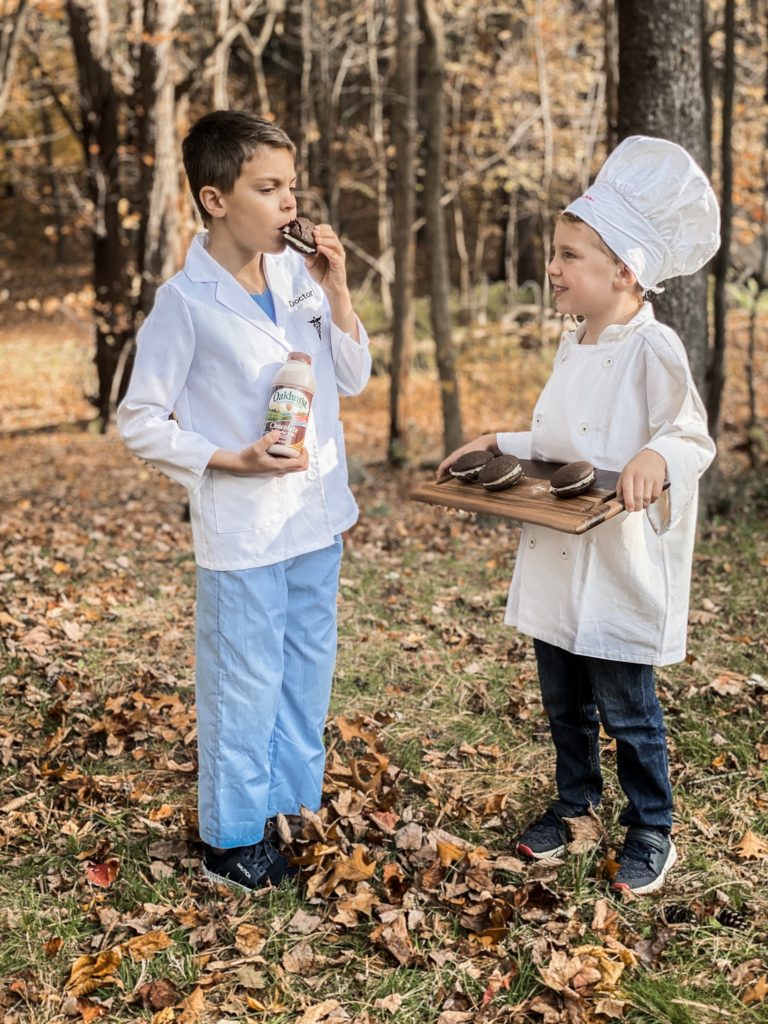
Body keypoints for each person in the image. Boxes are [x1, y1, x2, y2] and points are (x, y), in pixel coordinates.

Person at [437, 136, 719, 894]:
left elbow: (689, 433)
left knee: (627, 710)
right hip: (560, 556)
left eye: (568, 256)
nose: (552, 268)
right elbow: (563, 442)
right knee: (564, 702)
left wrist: (658, 459)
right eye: (556, 253)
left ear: (623, 271)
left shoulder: (652, 347)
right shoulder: (575, 343)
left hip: (619, 561)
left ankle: (652, 828)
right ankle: (574, 808)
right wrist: (501, 440)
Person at [117, 110, 371, 892]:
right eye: (268, 188)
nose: (288, 203)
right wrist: (229, 459)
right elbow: (139, 422)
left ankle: (291, 811)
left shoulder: (299, 279)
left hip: (318, 516)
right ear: (216, 198)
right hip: (245, 527)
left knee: (305, 671)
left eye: (291, 187)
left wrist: (340, 294)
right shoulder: (184, 303)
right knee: (244, 677)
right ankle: (231, 838)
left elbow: (354, 378)